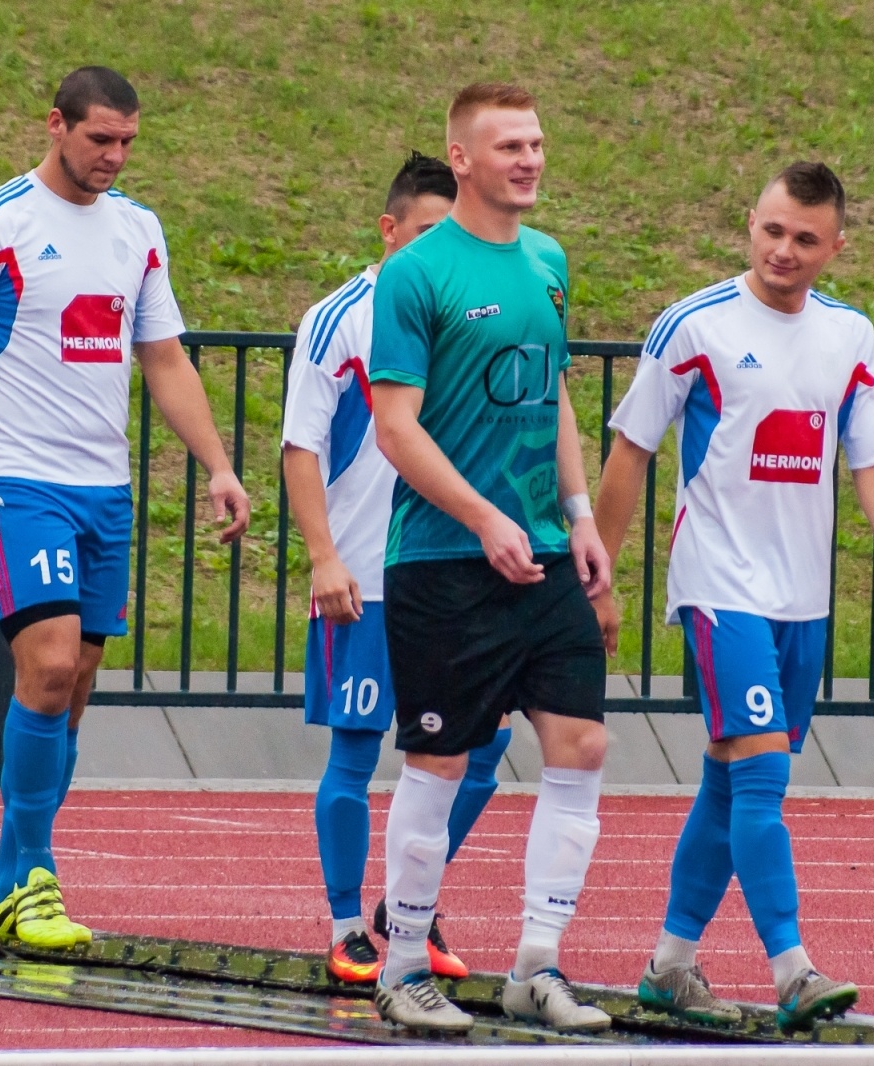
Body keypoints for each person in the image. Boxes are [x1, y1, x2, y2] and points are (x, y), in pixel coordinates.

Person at [592, 162, 874, 1031]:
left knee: (731, 781)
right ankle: (792, 970)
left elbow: (873, 463)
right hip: (719, 587)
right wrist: (597, 572)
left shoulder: (850, 336)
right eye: (772, 231)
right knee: (763, 777)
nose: (784, 251)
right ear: (751, 223)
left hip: (801, 602)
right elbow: (631, 449)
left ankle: (670, 965)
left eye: (805, 239)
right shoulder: (694, 325)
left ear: (836, 247)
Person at [0, 67, 250, 950]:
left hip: (106, 491)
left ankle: (6, 886)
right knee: (51, 666)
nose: (114, 156)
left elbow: (165, 359)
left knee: (74, 694)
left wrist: (217, 464)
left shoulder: (139, 230)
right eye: (100, 138)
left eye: (128, 141)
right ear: (56, 125)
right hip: (13, 479)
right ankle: (36, 879)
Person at [366, 82, 612, 1034]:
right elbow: (396, 427)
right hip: (442, 558)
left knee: (582, 744)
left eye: (538, 142)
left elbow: (551, 399)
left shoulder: (549, 261)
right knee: (438, 759)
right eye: (509, 145)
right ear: (461, 159)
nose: (530, 159)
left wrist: (579, 516)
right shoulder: (417, 274)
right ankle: (402, 964)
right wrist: (479, 518)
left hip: (544, 553)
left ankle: (538, 967)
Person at [280, 151, 512, 985]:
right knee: (356, 752)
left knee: (482, 751)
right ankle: (348, 922)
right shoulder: (341, 318)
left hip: (452, 569)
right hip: (367, 578)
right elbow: (300, 447)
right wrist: (324, 557)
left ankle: (409, 902)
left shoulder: (470, 307)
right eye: (422, 234)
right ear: (389, 230)